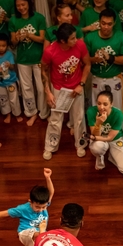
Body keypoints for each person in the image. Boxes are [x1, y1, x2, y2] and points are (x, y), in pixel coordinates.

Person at [41, 23, 90, 160]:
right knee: (55, 119)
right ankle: (50, 146)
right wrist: (48, 92)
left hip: (76, 87)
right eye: (72, 38)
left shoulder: (80, 45)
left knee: (79, 118)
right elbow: (43, 71)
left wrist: (81, 84)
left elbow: (87, 64)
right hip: (59, 88)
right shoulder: (50, 51)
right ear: (63, 41)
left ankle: (80, 144)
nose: (76, 40)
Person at [0, 168, 54, 246]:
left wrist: (48, 178)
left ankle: (41, 238)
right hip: (25, 232)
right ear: (30, 202)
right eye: (37, 207)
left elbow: (51, 192)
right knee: (40, 237)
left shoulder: (45, 203)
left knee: (44, 245)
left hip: (39, 232)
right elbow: (6, 213)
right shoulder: (23, 209)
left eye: (43, 207)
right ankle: (41, 235)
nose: (40, 210)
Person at [8, 0, 48, 126]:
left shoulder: (39, 18)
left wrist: (29, 35)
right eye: (18, 5)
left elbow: (43, 39)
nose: (21, 8)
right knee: (26, 88)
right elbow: (13, 43)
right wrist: (17, 38)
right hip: (23, 60)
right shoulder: (13, 20)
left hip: (38, 59)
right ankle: (31, 113)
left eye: (23, 4)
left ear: (29, 4)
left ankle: (44, 113)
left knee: (41, 88)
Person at [84, 9, 123, 113]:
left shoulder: (121, 37)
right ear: (99, 22)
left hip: (115, 78)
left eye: (109, 24)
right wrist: (95, 59)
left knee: (116, 111)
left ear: (114, 23)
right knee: (97, 110)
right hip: (96, 78)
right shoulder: (90, 37)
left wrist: (110, 58)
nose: (106, 27)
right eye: (103, 23)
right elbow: (84, 60)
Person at [87, 89, 123, 175]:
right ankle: (100, 156)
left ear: (111, 104)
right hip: (100, 139)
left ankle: (111, 156)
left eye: (105, 104)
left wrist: (93, 138)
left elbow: (110, 138)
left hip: (115, 139)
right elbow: (95, 134)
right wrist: (98, 123)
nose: (101, 107)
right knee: (97, 147)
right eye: (99, 103)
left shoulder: (118, 114)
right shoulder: (91, 111)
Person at [0, 32, 22, 124]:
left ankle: (17, 114)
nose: (1, 48)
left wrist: (9, 65)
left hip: (11, 81)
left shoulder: (9, 54)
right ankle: (8, 114)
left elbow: (13, 67)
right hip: (0, 82)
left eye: (3, 46)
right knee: (3, 99)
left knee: (14, 99)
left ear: (7, 46)